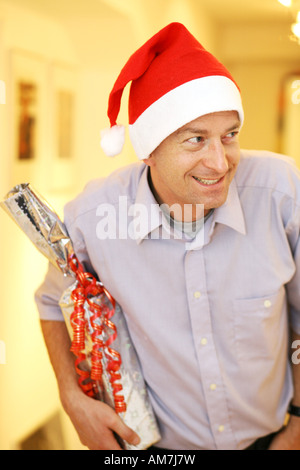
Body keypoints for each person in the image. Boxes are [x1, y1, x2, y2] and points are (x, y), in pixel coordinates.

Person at [35, 22, 300, 450]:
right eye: (196, 140)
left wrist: (299, 424)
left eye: (229, 136)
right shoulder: (94, 215)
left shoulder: (281, 192)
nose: (220, 162)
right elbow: (51, 302)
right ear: (150, 150)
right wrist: (71, 398)